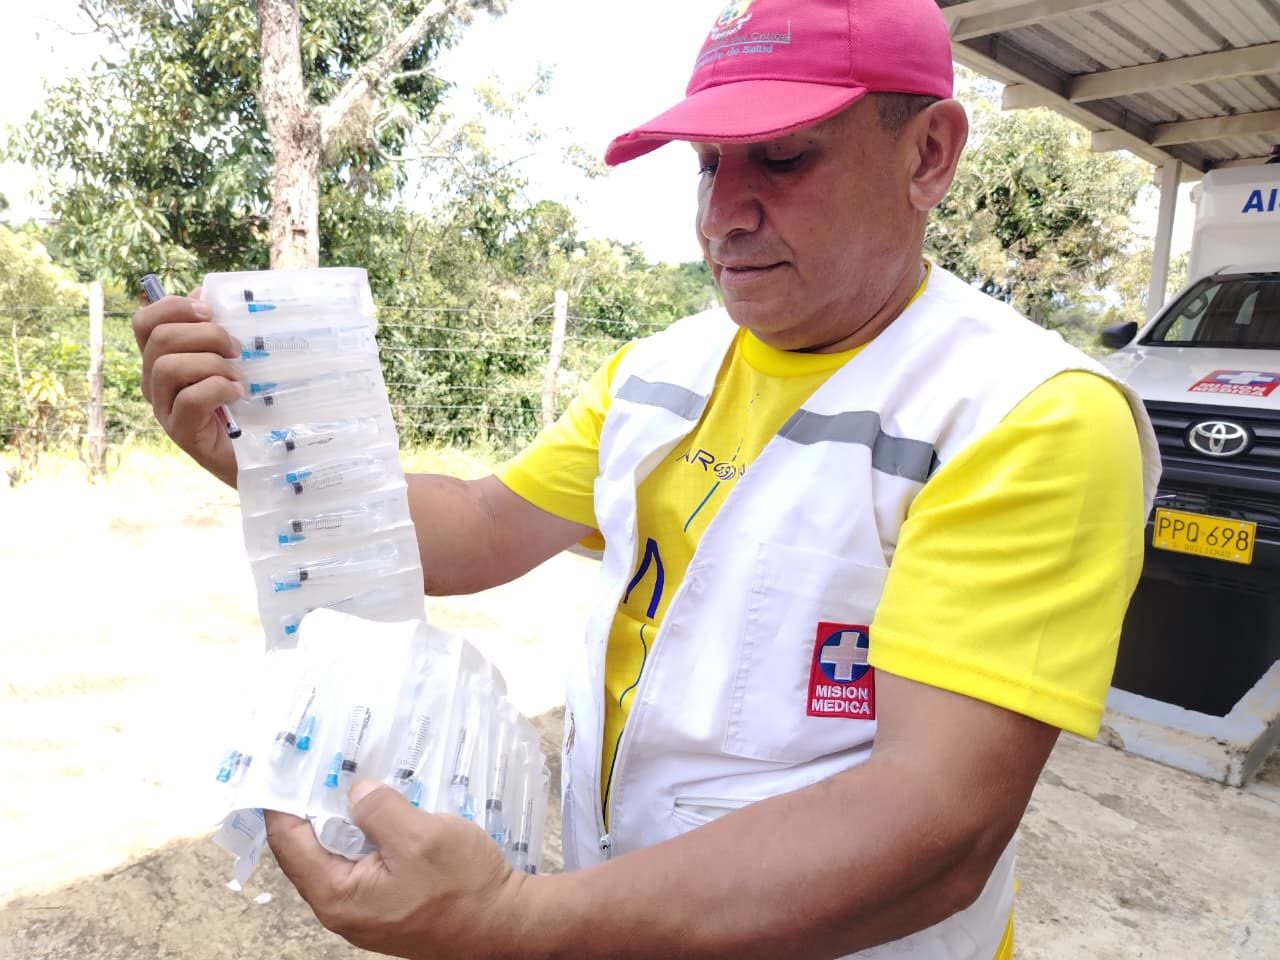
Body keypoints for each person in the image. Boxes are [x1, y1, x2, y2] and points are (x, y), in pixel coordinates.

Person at [132, 0, 1160, 956]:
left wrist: (517, 920)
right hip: (627, 920)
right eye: (709, 165)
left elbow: (935, 824)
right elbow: (485, 525)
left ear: (928, 153)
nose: (726, 214)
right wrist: (266, 459)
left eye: (784, 158)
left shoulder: (1023, 414)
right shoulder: (661, 370)